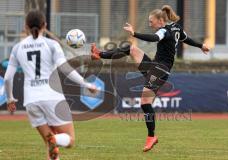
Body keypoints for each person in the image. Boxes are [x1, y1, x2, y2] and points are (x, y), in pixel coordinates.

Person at [91, 5, 210, 152]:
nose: (150, 24)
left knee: (145, 102)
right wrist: (201, 46)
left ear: (160, 20)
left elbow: (154, 38)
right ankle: (99, 55)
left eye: (151, 21)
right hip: (155, 66)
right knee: (132, 49)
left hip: (160, 70)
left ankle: (151, 136)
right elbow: (187, 39)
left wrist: (135, 33)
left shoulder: (163, 30)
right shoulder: (176, 28)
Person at [4, 10, 96, 160]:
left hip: (31, 101)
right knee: (69, 139)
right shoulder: (51, 44)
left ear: (25, 26)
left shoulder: (17, 48)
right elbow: (65, 68)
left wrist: (10, 99)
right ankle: (56, 139)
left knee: (49, 143)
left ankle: (54, 140)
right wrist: (85, 83)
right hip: (52, 97)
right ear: (44, 25)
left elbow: (8, 78)